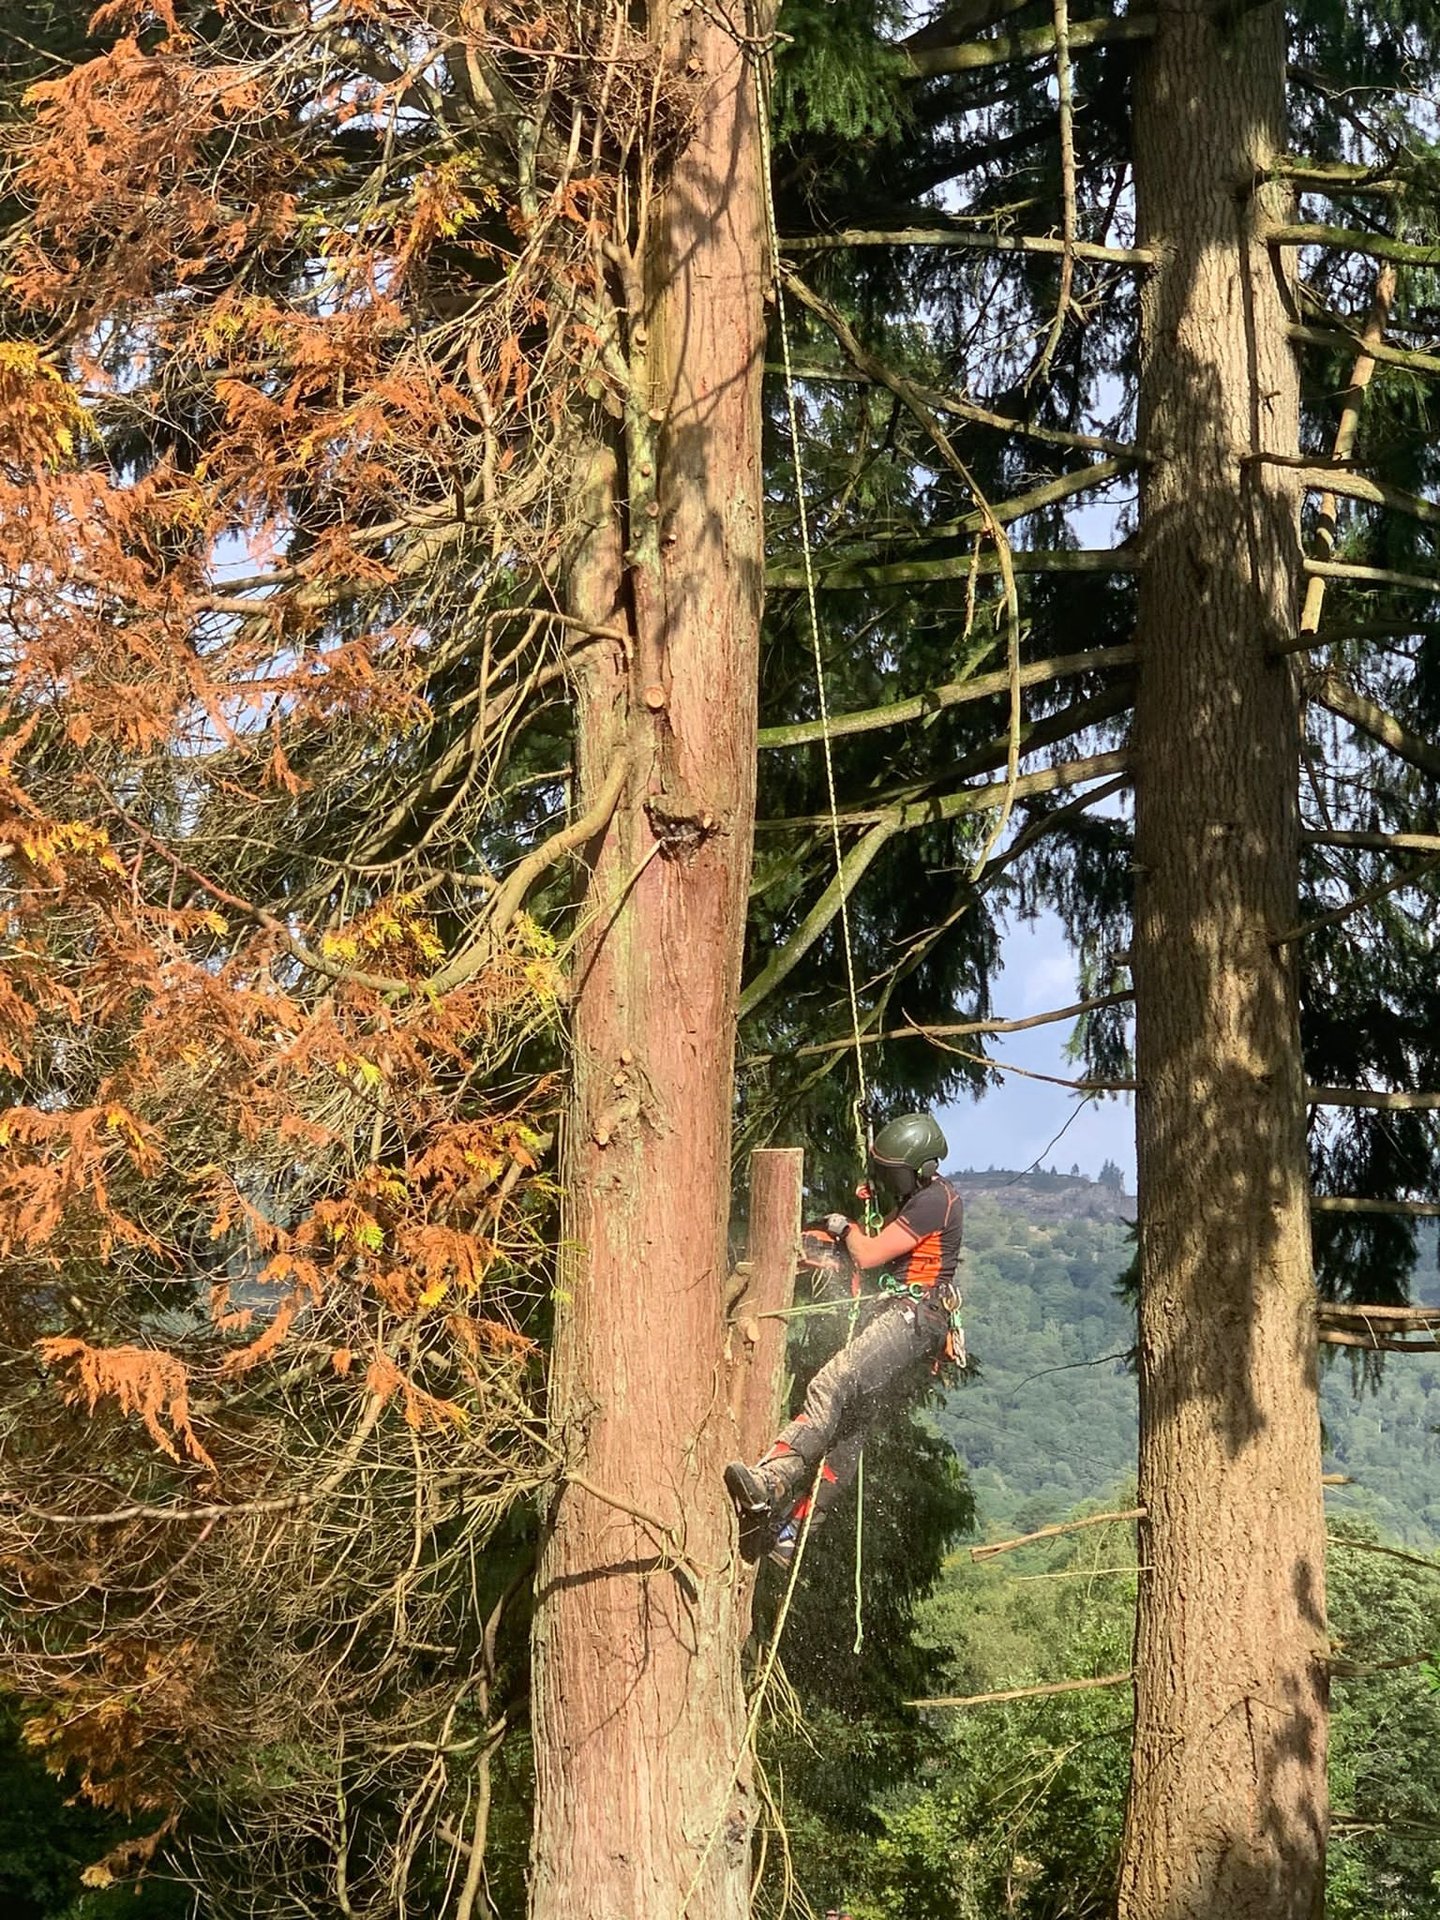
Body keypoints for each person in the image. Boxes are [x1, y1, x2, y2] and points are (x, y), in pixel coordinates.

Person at [725, 1112, 964, 1567]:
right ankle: (789, 1533)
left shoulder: (935, 1201)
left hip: (910, 1319)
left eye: (894, 1174)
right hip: (918, 1327)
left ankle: (771, 1481)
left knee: (830, 1385)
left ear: (922, 1168)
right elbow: (881, 1246)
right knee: (849, 1428)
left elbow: (869, 1254)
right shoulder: (924, 1198)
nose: (889, 1182)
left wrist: (843, 1227)